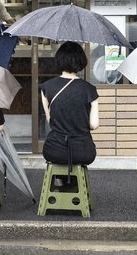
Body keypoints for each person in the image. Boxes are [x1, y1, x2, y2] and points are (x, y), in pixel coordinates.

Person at [40, 42, 100, 176]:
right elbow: (94, 125)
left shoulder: (46, 88)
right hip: (83, 151)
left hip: (54, 149)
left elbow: (51, 121)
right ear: (81, 61)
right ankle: (75, 189)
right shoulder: (90, 89)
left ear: (59, 60)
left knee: (58, 158)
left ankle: (60, 183)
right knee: (80, 157)